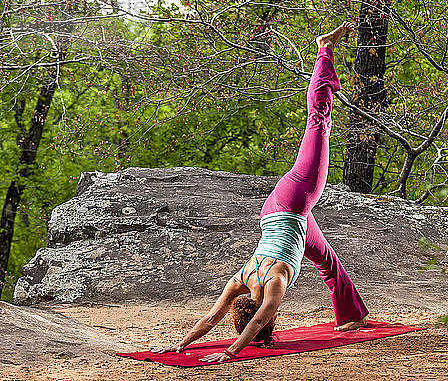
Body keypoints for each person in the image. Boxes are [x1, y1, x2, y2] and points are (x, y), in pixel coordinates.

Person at [152, 22, 369, 363]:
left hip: (293, 201)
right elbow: (213, 317)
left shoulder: (274, 283)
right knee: (326, 260)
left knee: (319, 124)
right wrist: (182, 344)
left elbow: (255, 323)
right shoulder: (238, 282)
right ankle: (352, 314)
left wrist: (230, 352)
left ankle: (324, 50)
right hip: (275, 215)